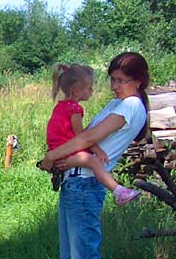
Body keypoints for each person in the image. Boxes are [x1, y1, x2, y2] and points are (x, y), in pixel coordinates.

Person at [40, 51, 151, 259]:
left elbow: (88, 139)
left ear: (138, 81)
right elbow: (86, 136)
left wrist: (53, 155)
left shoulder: (130, 106)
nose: (115, 86)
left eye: (121, 81)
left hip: (86, 187)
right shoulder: (119, 102)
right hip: (75, 181)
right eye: (112, 80)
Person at [44, 63, 140, 206]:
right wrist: (97, 150)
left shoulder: (60, 106)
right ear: (76, 91)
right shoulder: (74, 109)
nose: (92, 91)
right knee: (94, 161)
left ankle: (118, 190)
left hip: (58, 148)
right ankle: (118, 191)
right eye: (89, 88)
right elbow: (81, 136)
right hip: (66, 152)